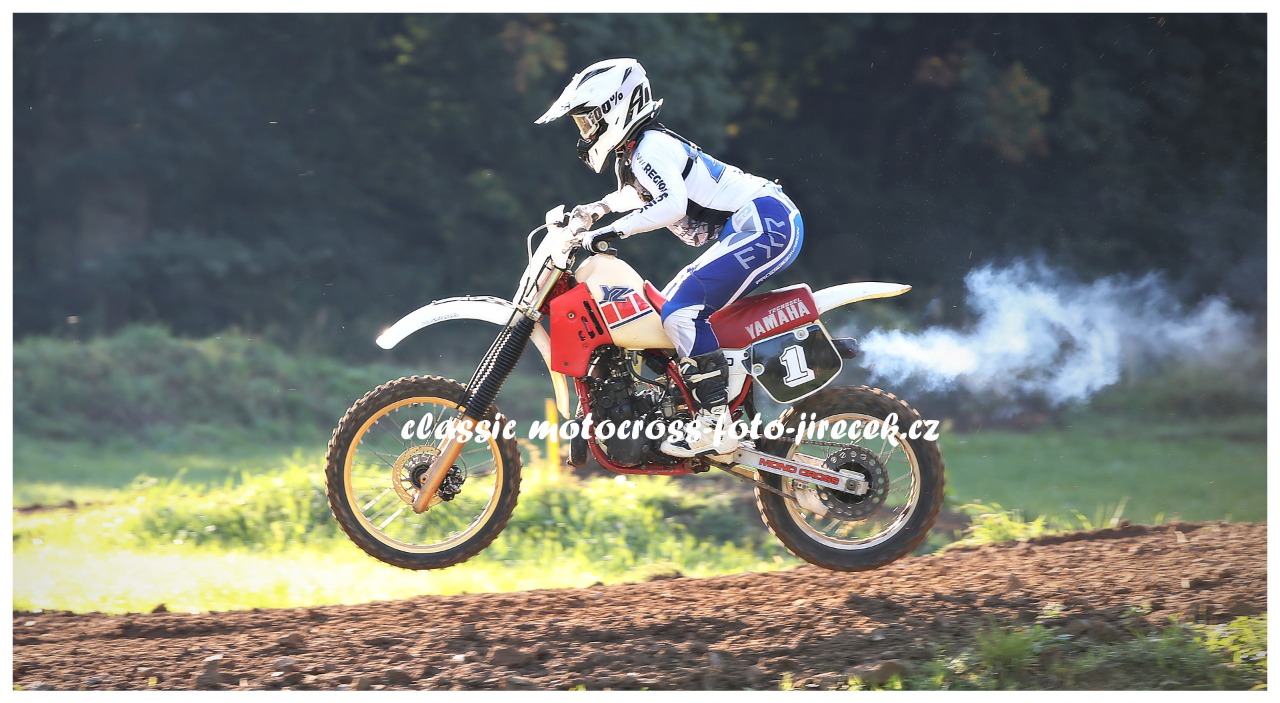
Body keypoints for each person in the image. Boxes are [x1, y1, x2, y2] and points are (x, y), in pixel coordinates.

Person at [535, 57, 804, 458]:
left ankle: (714, 425)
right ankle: (688, 407)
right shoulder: (639, 150)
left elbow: (671, 204)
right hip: (758, 222)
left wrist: (609, 231)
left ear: (615, 107)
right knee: (662, 312)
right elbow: (638, 193)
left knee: (680, 314)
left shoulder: (650, 147)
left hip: (765, 223)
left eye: (588, 120)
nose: (585, 131)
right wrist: (598, 210)